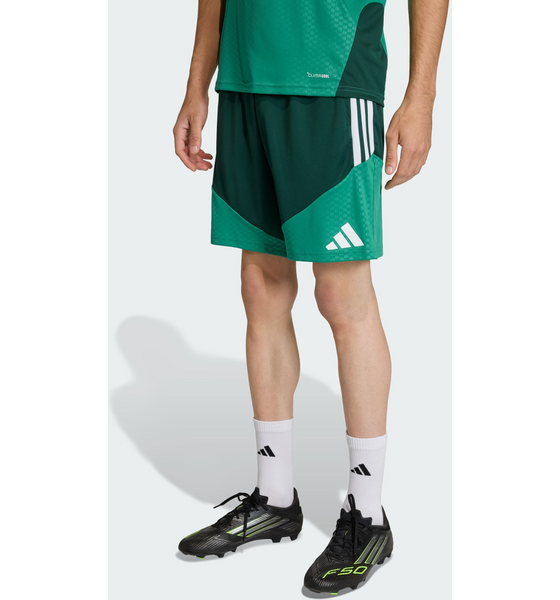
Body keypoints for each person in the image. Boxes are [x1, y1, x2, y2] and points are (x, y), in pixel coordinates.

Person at [173, 0, 448, 594]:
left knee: (342, 297)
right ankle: (275, 498)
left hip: (334, 80)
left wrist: (421, 96)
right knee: (260, 287)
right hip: (246, 79)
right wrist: (197, 84)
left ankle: (368, 517)